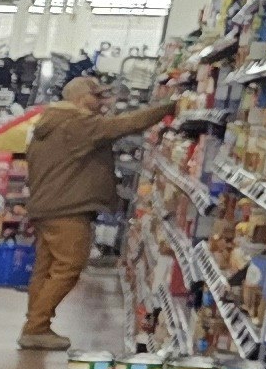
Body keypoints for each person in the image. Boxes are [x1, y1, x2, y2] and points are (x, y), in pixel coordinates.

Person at [13, 74, 184, 352]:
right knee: (68, 267)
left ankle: (37, 325)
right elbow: (125, 125)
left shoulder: (52, 122)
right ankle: (35, 327)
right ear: (82, 98)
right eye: (98, 96)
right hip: (68, 208)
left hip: (47, 206)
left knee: (46, 270)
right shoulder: (76, 123)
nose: (103, 101)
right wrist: (169, 107)